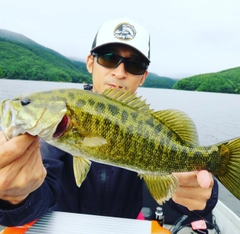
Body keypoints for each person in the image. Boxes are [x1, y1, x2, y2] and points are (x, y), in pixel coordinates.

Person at [0, 17, 218, 226]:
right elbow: (40, 192)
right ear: (90, 63)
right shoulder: (51, 135)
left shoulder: (151, 128)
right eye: (108, 57)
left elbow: (180, 189)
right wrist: (15, 198)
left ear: (143, 77)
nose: (120, 72)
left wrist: (202, 195)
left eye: (134, 65)